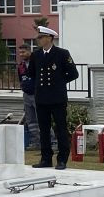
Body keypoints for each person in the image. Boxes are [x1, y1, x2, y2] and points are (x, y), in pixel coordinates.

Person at [26, 26, 80, 169]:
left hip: (57, 97)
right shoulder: (36, 55)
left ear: (49, 38)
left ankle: (62, 159)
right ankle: (46, 159)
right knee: (43, 129)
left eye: (41, 37)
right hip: (42, 97)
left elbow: (74, 73)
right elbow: (32, 73)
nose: (39, 40)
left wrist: (60, 82)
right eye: (38, 37)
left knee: (60, 128)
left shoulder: (62, 54)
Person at [17, 53, 39, 150]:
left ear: (29, 52)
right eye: (20, 52)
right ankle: (36, 142)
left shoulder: (35, 63)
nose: (21, 54)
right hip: (26, 95)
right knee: (31, 121)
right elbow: (20, 79)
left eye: (23, 52)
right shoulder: (21, 66)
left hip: (37, 94)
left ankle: (52, 142)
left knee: (42, 119)